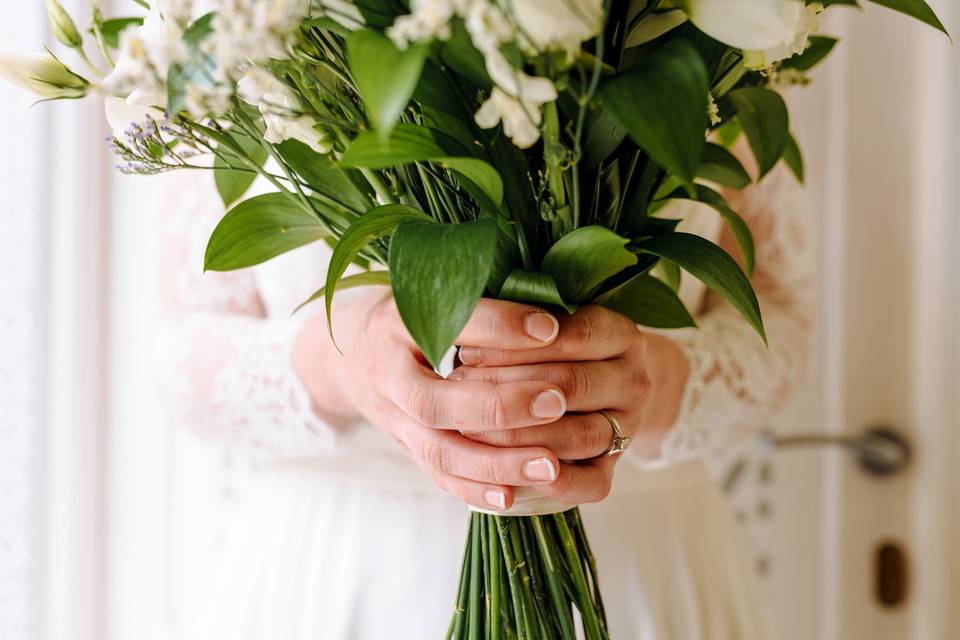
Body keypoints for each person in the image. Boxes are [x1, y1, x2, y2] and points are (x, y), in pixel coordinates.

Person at [159, 145, 811, 639]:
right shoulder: (242, 29)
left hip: (647, 569)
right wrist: (347, 362)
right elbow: (178, 356)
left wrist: (645, 381)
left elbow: (781, 327)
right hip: (343, 572)